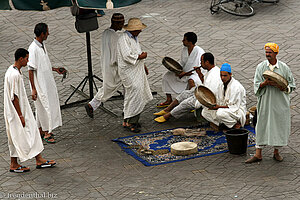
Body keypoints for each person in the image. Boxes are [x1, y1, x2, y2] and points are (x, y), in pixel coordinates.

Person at [4, 48, 56, 173]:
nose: (28, 61)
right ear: (21, 59)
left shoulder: (11, 70)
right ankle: (38, 159)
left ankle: (14, 163)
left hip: (13, 112)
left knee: (15, 137)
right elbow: (14, 97)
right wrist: (21, 116)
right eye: (27, 58)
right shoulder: (15, 75)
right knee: (30, 132)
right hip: (18, 112)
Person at [245, 43, 296, 164]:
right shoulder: (261, 67)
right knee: (262, 124)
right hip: (266, 101)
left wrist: (281, 87)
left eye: (270, 52)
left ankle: (276, 152)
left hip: (279, 102)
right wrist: (265, 83)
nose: (267, 54)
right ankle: (258, 153)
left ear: (276, 53)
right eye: (266, 52)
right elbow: (256, 84)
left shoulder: (284, 68)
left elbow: (291, 85)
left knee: (278, 125)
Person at [154, 52, 222, 123]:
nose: (200, 63)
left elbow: (208, 94)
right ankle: (167, 109)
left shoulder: (214, 74)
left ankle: (167, 116)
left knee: (186, 103)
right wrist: (199, 73)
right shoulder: (212, 70)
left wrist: (195, 97)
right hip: (204, 93)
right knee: (185, 94)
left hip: (208, 99)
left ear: (207, 62)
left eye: (201, 61)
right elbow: (204, 82)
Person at [28, 23, 65, 143]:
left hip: (46, 82)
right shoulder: (33, 49)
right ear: (42, 34)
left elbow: (44, 64)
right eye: (47, 32)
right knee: (45, 106)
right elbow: (30, 69)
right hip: (40, 84)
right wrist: (33, 88)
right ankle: (47, 132)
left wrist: (55, 69)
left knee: (41, 107)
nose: (48, 34)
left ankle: (40, 129)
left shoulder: (42, 46)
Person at [85, 13, 125, 118]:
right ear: (117, 24)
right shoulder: (114, 36)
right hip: (112, 65)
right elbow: (116, 55)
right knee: (110, 86)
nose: (122, 26)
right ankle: (92, 104)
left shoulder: (106, 32)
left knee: (110, 85)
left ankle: (126, 108)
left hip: (105, 62)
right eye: (121, 24)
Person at [117, 18, 153, 133]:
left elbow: (136, 51)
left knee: (132, 95)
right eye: (139, 30)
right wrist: (141, 57)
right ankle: (132, 122)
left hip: (136, 68)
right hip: (128, 71)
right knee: (135, 92)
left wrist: (143, 65)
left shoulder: (134, 38)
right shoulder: (123, 39)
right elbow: (127, 56)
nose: (140, 31)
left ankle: (127, 120)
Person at [157, 32, 205, 107]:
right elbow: (182, 63)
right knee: (167, 76)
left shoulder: (199, 51)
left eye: (184, 40)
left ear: (190, 42)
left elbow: (198, 68)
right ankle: (169, 100)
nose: (182, 41)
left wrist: (184, 73)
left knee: (192, 81)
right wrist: (177, 71)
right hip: (183, 72)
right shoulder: (184, 49)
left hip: (195, 74)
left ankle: (191, 102)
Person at [202, 63, 247, 130]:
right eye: (221, 75)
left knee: (220, 113)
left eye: (225, 76)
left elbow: (233, 106)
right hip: (223, 108)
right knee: (204, 112)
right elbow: (219, 98)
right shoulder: (221, 84)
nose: (222, 78)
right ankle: (222, 124)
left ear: (230, 75)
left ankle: (235, 124)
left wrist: (218, 107)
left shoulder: (236, 87)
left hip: (236, 111)